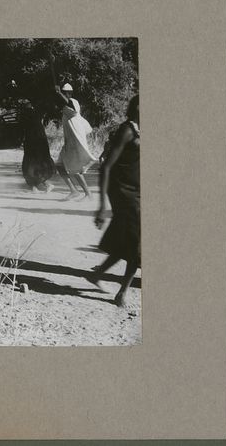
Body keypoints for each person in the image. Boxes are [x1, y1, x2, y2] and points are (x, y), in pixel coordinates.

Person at [90, 95, 140, 307]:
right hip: (123, 193)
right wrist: (102, 205)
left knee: (130, 241)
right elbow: (106, 167)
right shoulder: (128, 130)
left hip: (138, 192)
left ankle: (98, 273)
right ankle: (122, 293)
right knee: (139, 245)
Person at [55, 83, 96, 200]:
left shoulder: (73, 103)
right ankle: (74, 191)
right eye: (62, 92)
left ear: (69, 93)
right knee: (60, 166)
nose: (63, 95)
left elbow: (70, 105)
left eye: (65, 93)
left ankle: (88, 194)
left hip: (75, 143)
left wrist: (58, 93)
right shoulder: (64, 106)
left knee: (75, 168)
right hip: (69, 143)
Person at [20, 103, 55, 193]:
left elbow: (26, 134)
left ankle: (45, 185)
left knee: (31, 167)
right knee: (34, 167)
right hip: (36, 147)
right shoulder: (36, 120)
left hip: (33, 148)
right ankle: (35, 187)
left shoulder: (28, 118)